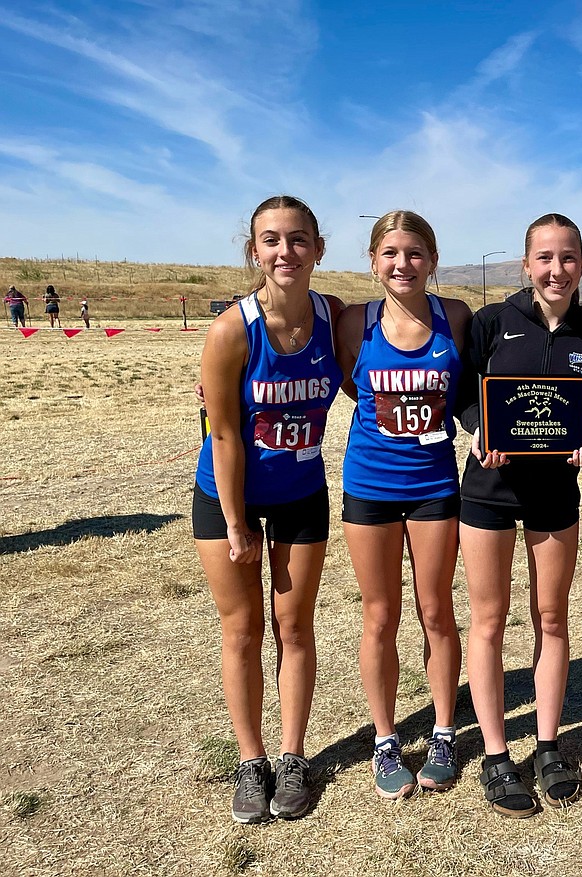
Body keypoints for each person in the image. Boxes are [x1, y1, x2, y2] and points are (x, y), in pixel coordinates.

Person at [192, 195, 344, 823]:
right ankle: (250, 760)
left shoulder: (334, 317)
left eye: (298, 240)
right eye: (272, 241)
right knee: (244, 630)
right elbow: (223, 433)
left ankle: (291, 756)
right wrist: (235, 522)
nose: (286, 252)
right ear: (254, 250)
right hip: (229, 499)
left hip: (303, 495)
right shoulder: (233, 328)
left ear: (318, 248)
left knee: (296, 627)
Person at [456, 213, 582, 818]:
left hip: (554, 496)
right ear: (526, 265)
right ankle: (496, 755)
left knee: (552, 617)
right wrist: (476, 430)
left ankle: (547, 746)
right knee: (489, 619)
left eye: (568, 258)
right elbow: (465, 392)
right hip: (489, 491)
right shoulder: (492, 321)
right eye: (544, 258)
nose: (557, 269)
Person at [335, 211, 471, 800]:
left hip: (435, 487)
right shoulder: (352, 323)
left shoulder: (456, 318)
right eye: (389, 253)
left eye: (414, 253)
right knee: (379, 615)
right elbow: (349, 385)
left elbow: (471, 392)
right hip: (369, 485)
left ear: (432, 260)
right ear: (373, 260)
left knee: (436, 610)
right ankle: (386, 740)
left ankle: (443, 729)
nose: (402, 264)